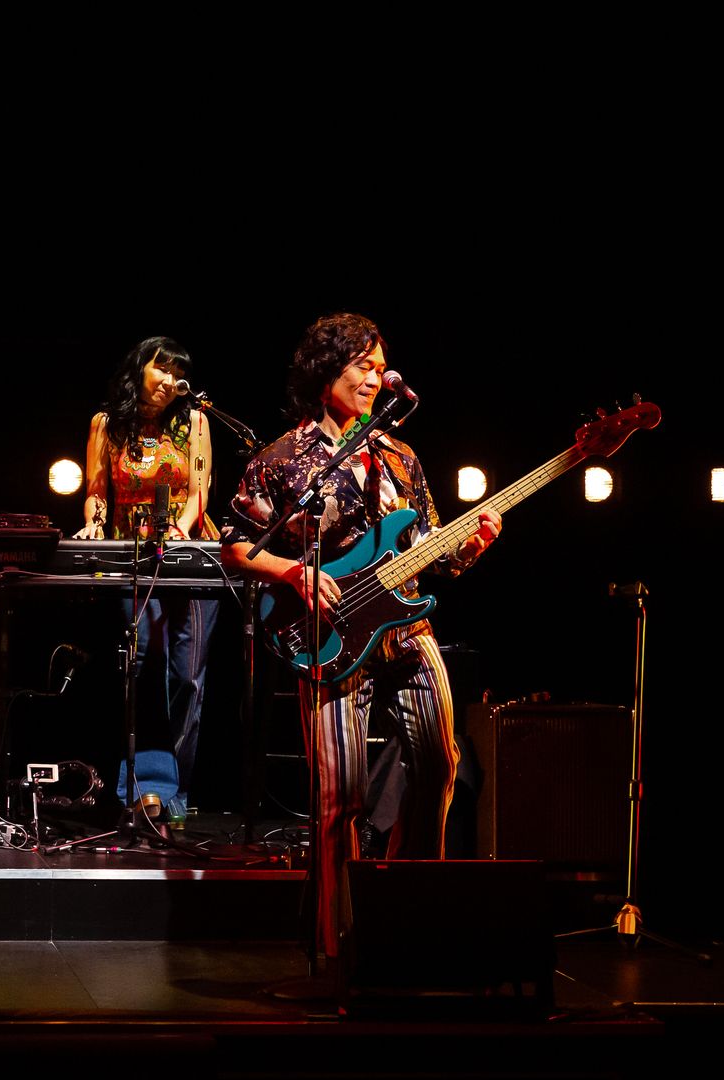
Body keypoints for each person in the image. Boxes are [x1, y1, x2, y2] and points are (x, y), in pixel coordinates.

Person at [221, 313, 500, 959]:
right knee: (338, 796)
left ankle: (407, 921)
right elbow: (234, 545)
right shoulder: (283, 461)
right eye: (362, 366)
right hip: (330, 639)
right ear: (326, 374)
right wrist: (293, 570)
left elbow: (435, 549)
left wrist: (474, 543)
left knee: (439, 764)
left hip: (407, 629)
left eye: (381, 366)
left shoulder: (401, 457)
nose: (376, 378)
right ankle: (337, 946)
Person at [73, 336, 217, 823]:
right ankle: (135, 787)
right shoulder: (106, 424)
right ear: (140, 368)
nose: (169, 379)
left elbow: (199, 490)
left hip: (188, 551)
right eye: (162, 366)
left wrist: (182, 528)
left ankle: (177, 793)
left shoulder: (193, 420)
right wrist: (94, 522)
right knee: (136, 666)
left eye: (177, 370)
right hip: (129, 551)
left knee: (188, 677)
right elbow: (97, 489)